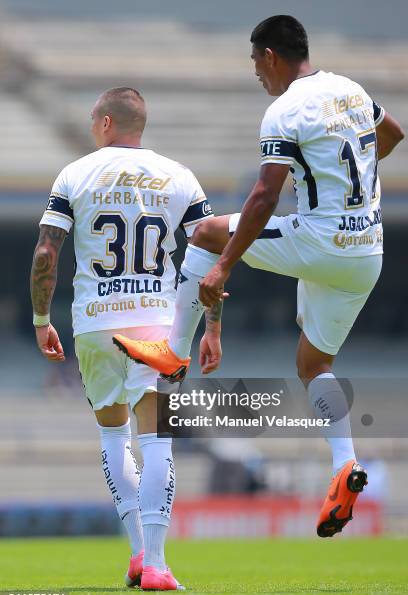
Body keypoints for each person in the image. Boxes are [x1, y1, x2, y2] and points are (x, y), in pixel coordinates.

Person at [113, 15, 404, 538]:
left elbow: (264, 195)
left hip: (323, 240)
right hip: (369, 250)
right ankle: (344, 466)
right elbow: (393, 134)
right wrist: (350, 177)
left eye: (256, 66)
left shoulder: (285, 109)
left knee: (204, 234)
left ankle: (174, 351)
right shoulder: (351, 90)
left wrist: (225, 264)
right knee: (313, 364)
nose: (258, 77)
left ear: (270, 56)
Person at [30, 87, 213, 589]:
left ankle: (136, 552)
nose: (92, 127)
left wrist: (40, 317)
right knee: (157, 441)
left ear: (107, 122)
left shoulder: (74, 174)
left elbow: (47, 254)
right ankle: (155, 563)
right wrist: (210, 326)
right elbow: (209, 255)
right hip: (157, 322)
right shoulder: (179, 175)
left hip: (95, 321)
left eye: (94, 119)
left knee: (114, 436)